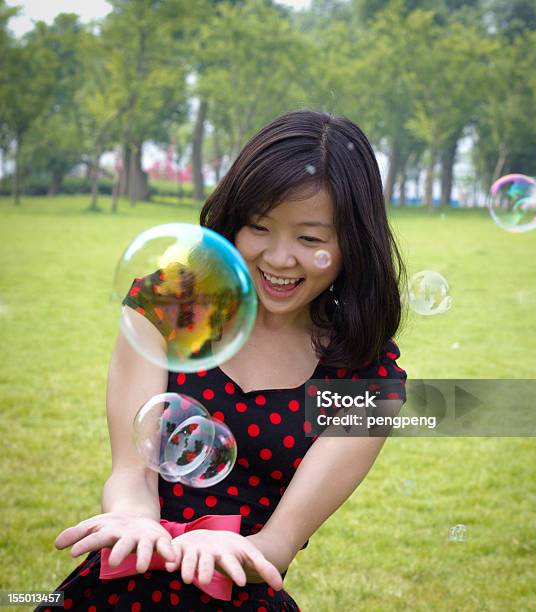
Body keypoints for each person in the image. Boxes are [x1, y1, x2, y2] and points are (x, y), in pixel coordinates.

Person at [37, 109, 407, 611]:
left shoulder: (367, 376)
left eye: (310, 238)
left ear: (351, 245)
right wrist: (134, 520)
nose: (278, 258)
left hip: (240, 595)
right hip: (122, 586)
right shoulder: (166, 306)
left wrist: (238, 550)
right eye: (259, 226)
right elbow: (132, 473)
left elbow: (279, 544)